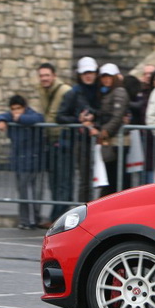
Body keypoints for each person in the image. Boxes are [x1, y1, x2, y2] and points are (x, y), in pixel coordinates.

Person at [0, 95, 45, 229]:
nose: (16, 111)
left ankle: (31, 220)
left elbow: (39, 118)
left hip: (31, 160)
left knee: (28, 191)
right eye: (13, 109)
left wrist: (20, 118)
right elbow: (1, 116)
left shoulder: (31, 115)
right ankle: (25, 220)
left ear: (24, 107)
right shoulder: (10, 116)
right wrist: (1, 120)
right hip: (18, 160)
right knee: (23, 191)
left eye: (19, 108)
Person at [56, 56, 102, 202]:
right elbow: (60, 117)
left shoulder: (101, 91)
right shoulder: (73, 93)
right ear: (80, 75)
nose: (88, 76)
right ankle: (85, 211)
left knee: (103, 178)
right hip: (81, 141)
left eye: (91, 72)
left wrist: (94, 117)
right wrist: (78, 120)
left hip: (102, 138)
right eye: (85, 73)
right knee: (85, 179)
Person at [85, 63, 129, 197]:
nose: (106, 79)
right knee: (111, 178)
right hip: (110, 141)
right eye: (103, 76)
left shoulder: (119, 91)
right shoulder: (108, 92)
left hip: (116, 140)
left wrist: (101, 132)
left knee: (117, 178)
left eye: (109, 76)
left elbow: (117, 117)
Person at [36, 63, 73, 226]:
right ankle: (56, 217)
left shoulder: (65, 91)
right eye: (41, 75)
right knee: (54, 183)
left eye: (47, 75)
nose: (44, 78)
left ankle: (60, 218)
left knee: (63, 182)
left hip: (63, 140)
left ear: (54, 75)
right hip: (51, 140)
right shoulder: (43, 91)